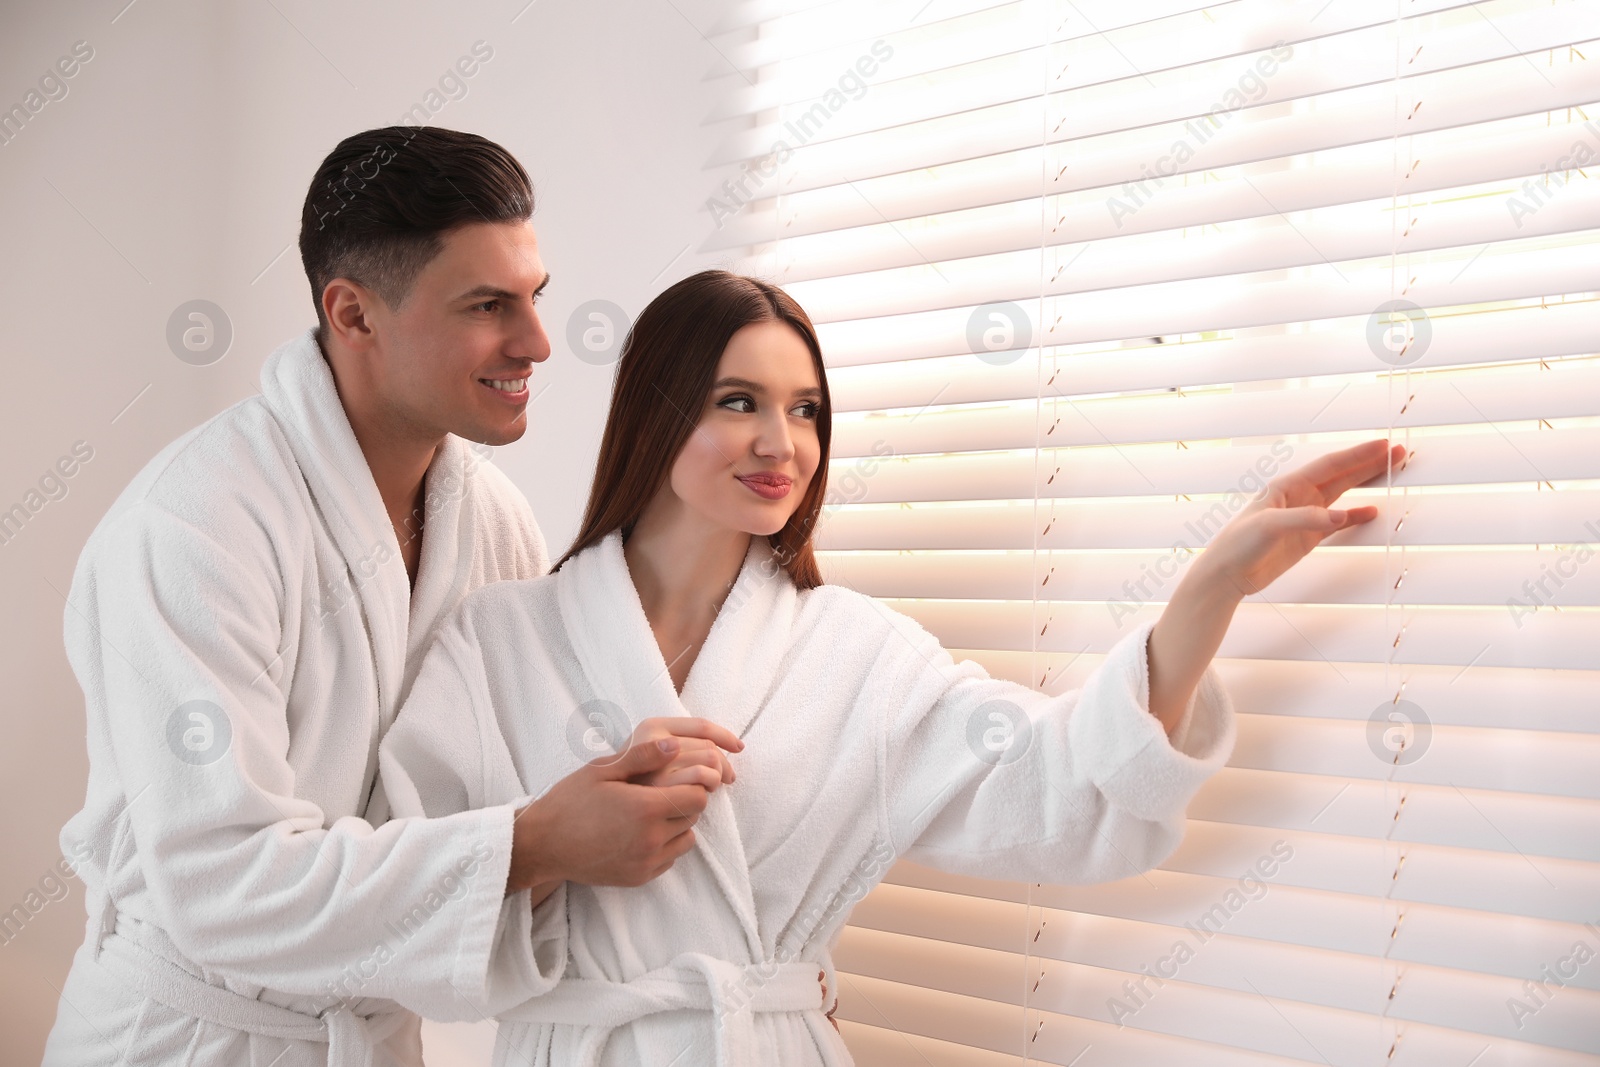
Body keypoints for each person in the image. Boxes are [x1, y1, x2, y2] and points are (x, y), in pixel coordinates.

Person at [377, 268, 1409, 1065]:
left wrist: (1208, 592)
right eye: (739, 400)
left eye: (807, 409)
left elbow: (1066, 789)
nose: (781, 441)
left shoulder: (856, 655)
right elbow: (396, 899)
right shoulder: (497, 640)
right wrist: (552, 836)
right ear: (657, 409)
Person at [41, 127, 741, 1067]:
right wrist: (533, 844)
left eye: (536, 298)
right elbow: (221, 881)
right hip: (186, 1041)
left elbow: (506, 776)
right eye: (488, 305)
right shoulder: (194, 526)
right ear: (355, 314)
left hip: (375, 1040)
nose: (537, 340)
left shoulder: (492, 521)